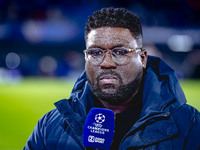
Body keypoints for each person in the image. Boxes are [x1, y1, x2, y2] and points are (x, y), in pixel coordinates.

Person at [24, 7, 200, 150]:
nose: (107, 63)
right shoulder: (50, 126)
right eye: (95, 52)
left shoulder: (190, 125)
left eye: (120, 52)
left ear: (143, 58)